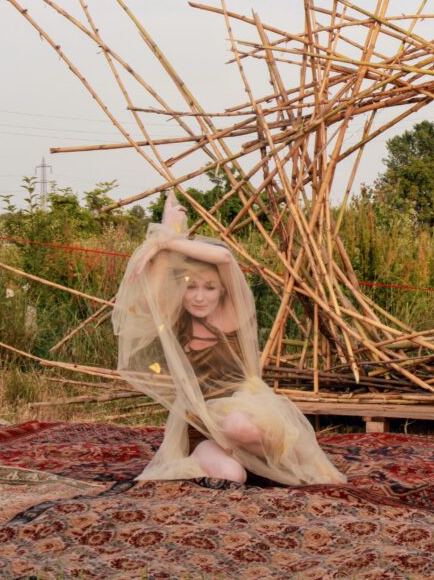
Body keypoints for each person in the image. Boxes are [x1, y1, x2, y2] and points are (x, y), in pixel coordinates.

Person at [112, 190, 346, 486]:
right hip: (203, 427)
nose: (199, 297)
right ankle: (224, 461)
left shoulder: (232, 313)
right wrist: (161, 239)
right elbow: (150, 296)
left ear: (222, 291)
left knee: (239, 427)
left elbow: (224, 258)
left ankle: (277, 461)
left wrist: (172, 240)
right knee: (231, 476)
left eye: (209, 288)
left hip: (247, 416)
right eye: (191, 287)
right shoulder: (177, 321)